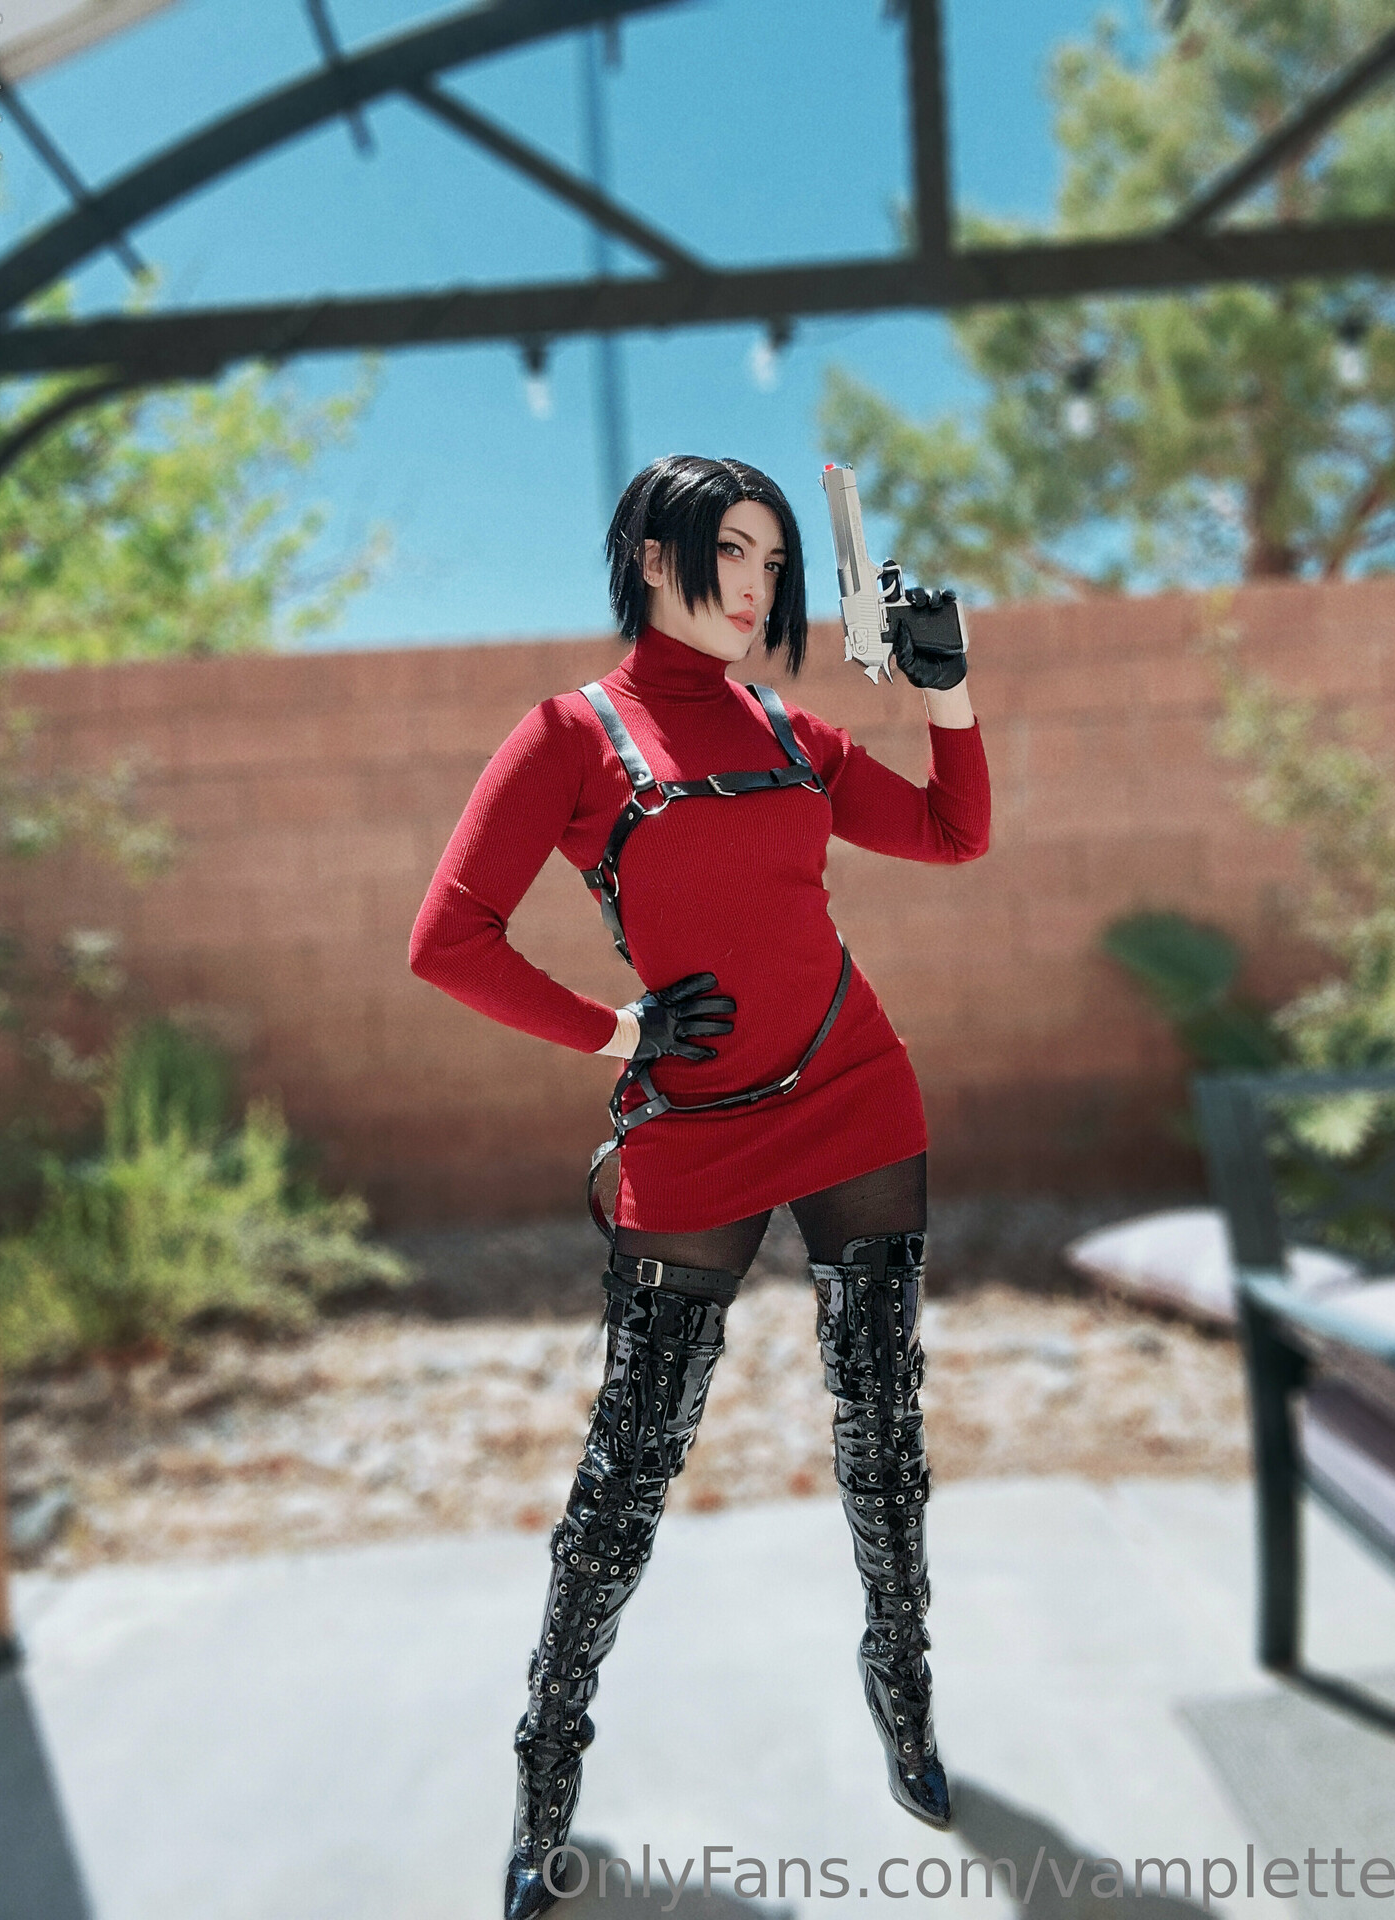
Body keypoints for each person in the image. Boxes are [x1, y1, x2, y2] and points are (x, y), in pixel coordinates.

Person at [409, 454, 991, 1920]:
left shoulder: (790, 731)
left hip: (858, 1092)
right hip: (697, 1126)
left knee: (884, 1432)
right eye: (732, 549)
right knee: (628, 1469)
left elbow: (951, 832)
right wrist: (612, 1032)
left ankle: (904, 1689)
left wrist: (947, 694)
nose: (757, 582)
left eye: (774, 560)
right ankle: (547, 1779)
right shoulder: (571, 735)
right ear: (653, 557)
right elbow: (448, 938)